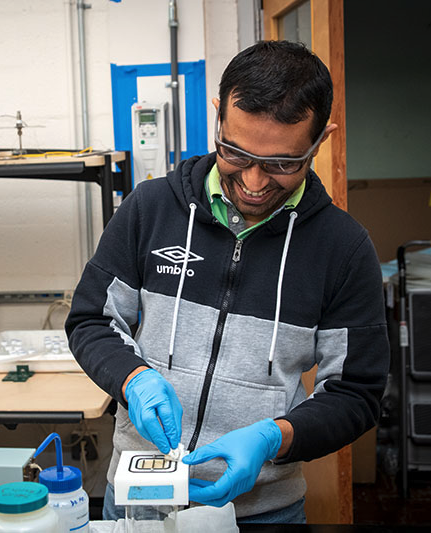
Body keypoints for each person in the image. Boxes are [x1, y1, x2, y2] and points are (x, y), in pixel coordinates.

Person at [65, 40, 389, 523]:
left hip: (263, 510)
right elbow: (91, 320)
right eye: (236, 152)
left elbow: (356, 393)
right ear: (219, 116)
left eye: (282, 163)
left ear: (321, 141)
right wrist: (133, 379)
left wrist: (274, 437)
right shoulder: (149, 210)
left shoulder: (343, 249)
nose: (255, 182)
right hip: (139, 498)